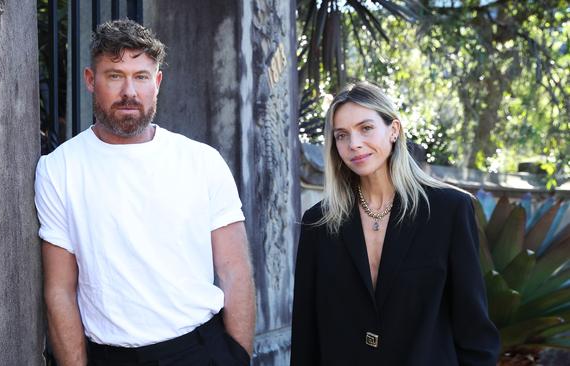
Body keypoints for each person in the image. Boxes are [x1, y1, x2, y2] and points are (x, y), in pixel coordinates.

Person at [35, 20, 255, 366]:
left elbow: (235, 270)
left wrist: (238, 357)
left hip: (199, 350)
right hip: (109, 356)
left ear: (157, 82)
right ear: (91, 80)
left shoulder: (202, 161)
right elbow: (60, 289)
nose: (129, 92)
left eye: (141, 76)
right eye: (115, 75)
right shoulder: (59, 169)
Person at [290, 82, 500, 365]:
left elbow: (474, 328)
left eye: (365, 128)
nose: (354, 144)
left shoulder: (448, 210)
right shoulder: (319, 222)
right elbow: (306, 333)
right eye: (342, 135)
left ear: (393, 130)